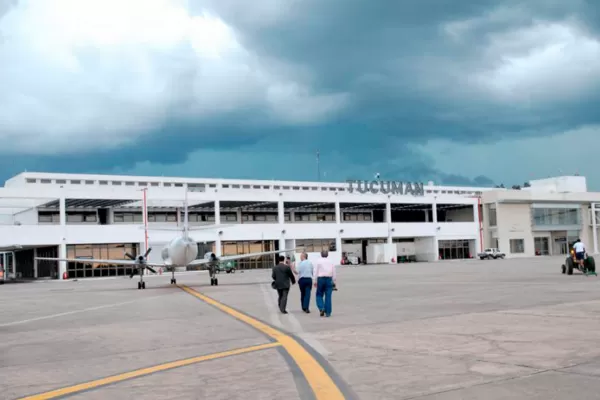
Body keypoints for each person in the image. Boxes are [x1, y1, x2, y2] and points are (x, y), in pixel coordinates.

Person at [313, 249, 336, 317]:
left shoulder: (318, 261)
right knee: (328, 296)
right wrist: (334, 280)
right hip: (329, 279)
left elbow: (315, 271)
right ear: (327, 254)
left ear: (321, 254)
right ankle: (328, 312)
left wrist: (315, 280)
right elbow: (334, 271)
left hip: (321, 279)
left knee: (319, 294)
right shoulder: (331, 261)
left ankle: (321, 307)